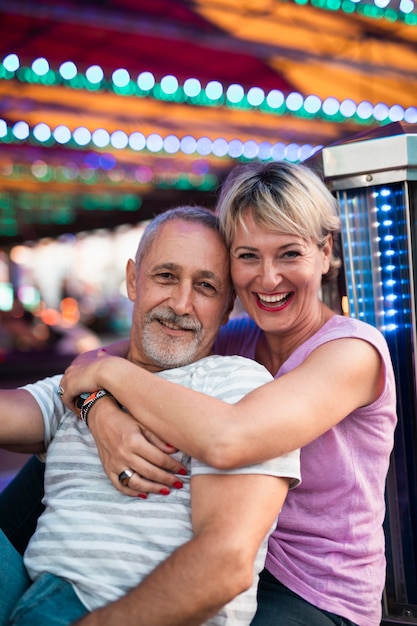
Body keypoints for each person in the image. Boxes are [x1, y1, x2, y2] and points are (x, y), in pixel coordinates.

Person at [59, 161, 397, 626]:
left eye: (289, 254)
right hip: (240, 557)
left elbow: (230, 438)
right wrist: (99, 413)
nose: (268, 278)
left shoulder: (352, 353)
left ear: (325, 252)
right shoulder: (236, 338)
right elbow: (89, 365)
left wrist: (109, 381)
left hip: (315, 592)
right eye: (248, 256)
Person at [0, 206, 300, 626]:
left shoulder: (238, 384)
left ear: (229, 303)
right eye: (166, 276)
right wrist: (97, 399)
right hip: (32, 595)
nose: (181, 303)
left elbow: (225, 564)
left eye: (206, 287)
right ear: (132, 279)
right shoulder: (81, 384)